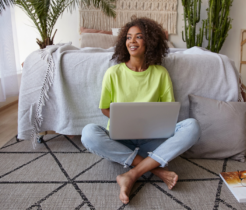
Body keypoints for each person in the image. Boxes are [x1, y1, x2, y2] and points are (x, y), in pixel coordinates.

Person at [81, 17, 201, 204]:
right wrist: (123, 121)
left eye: (139, 37)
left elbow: (168, 111)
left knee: (192, 126)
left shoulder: (160, 73)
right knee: (88, 133)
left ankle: (132, 174)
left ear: (150, 41)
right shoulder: (113, 73)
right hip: (121, 140)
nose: (132, 41)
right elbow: (104, 108)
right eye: (129, 37)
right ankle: (155, 169)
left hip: (153, 141)